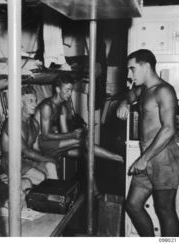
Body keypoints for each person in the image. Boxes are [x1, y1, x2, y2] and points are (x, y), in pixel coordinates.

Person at [117, 49, 179, 236]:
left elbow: (169, 129)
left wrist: (144, 158)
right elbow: (131, 95)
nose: (129, 75)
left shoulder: (164, 90)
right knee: (133, 205)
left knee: (164, 210)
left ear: (146, 66)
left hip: (163, 158)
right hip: (148, 156)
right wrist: (124, 103)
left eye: (132, 69)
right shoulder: (144, 90)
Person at [34, 74, 124, 162]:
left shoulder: (62, 107)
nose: (70, 94)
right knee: (81, 141)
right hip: (40, 143)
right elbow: (45, 136)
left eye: (71, 90)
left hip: (51, 143)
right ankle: (119, 158)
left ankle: (109, 165)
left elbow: (65, 133)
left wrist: (79, 132)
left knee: (86, 154)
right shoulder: (47, 106)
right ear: (58, 89)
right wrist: (72, 135)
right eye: (67, 90)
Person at [1, 85, 58, 190]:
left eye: (35, 100)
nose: (35, 104)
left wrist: (48, 159)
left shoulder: (34, 123)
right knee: (42, 178)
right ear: (21, 103)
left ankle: (57, 199)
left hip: (28, 162)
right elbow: (26, 151)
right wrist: (48, 158)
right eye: (30, 101)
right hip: (12, 163)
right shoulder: (12, 123)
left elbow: (35, 148)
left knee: (51, 166)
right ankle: (49, 198)